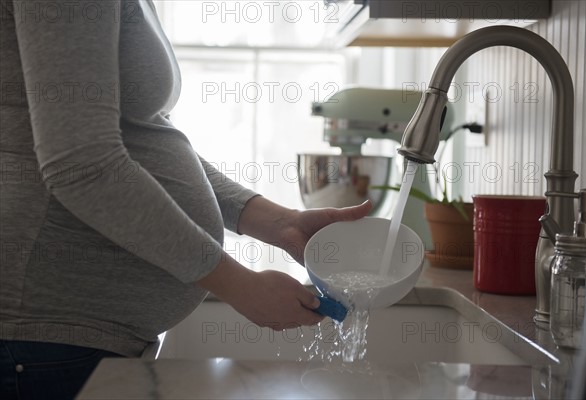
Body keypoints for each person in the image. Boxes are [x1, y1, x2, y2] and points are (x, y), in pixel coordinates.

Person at [0, 0, 372, 398]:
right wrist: (240, 285)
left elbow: (144, 132)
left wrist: (279, 223)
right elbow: (83, 166)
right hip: (45, 337)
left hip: (75, 340)